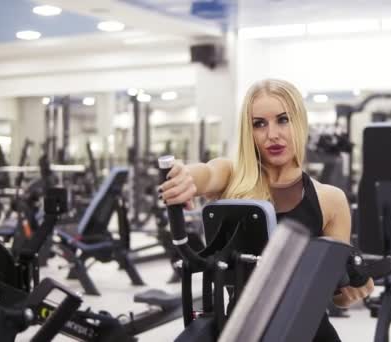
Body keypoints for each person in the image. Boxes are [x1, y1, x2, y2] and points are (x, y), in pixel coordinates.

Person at [159, 78, 374, 342]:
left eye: (283, 120)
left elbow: (337, 296)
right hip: (242, 332)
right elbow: (205, 173)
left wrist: (353, 288)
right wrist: (184, 176)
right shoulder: (232, 178)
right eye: (259, 124)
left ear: (299, 122)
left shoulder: (331, 200)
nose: (272, 134)